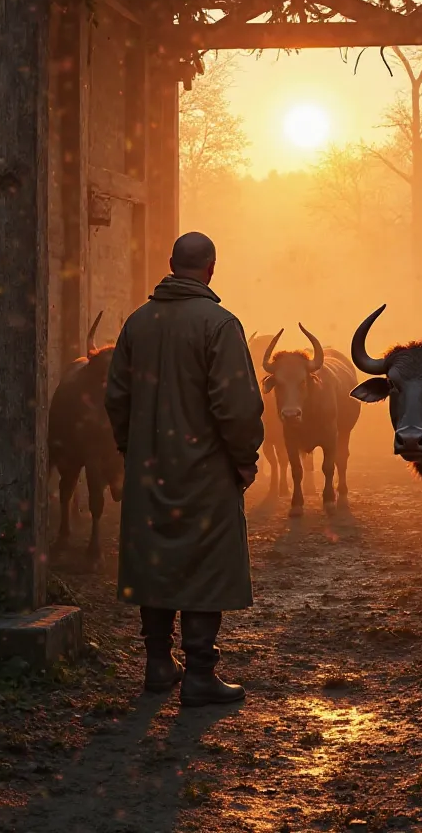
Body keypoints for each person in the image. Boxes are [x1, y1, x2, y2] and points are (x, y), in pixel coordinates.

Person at [105, 232, 264, 705]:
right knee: (205, 565)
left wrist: (132, 450)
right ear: (212, 268)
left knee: (154, 559)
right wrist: (244, 460)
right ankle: (198, 675)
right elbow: (236, 407)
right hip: (207, 471)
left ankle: (157, 664)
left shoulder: (137, 323)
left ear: (172, 264)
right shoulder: (219, 324)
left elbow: (117, 397)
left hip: (148, 466)